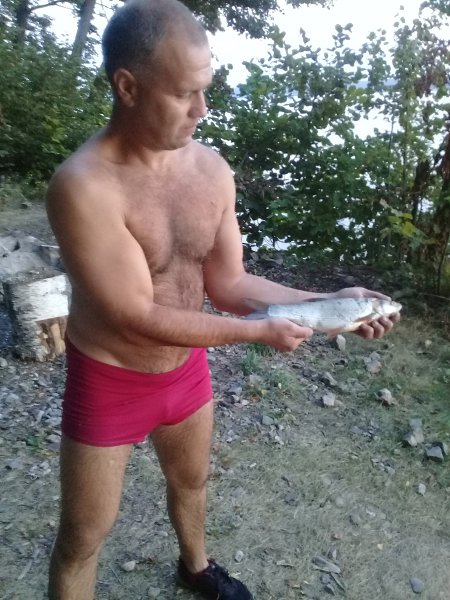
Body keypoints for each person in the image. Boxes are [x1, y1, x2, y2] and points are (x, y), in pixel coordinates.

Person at [45, 0, 400, 598]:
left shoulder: (210, 172)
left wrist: (331, 300)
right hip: (111, 377)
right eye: (184, 94)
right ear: (128, 87)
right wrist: (259, 332)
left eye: (205, 90)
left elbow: (230, 285)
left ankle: (196, 567)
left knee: (192, 482)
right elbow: (136, 315)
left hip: (186, 371)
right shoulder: (83, 186)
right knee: (83, 536)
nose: (202, 110)